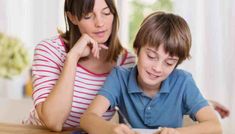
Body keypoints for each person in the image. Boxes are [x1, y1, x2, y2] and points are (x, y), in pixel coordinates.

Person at [80, 11, 222, 134]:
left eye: (169, 62)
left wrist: (177, 132)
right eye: (151, 56)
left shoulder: (183, 81)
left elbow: (215, 126)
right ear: (137, 49)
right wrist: (111, 130)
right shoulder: (120, 77)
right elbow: (87, 118)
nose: (157, 68)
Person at [23, 0, 136, 132]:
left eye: (106, 13)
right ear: (73, 17)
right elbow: (53, 122)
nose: (100, 23)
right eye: (88, 15)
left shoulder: (126, 62)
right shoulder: (49, 50)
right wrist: (72, 57)